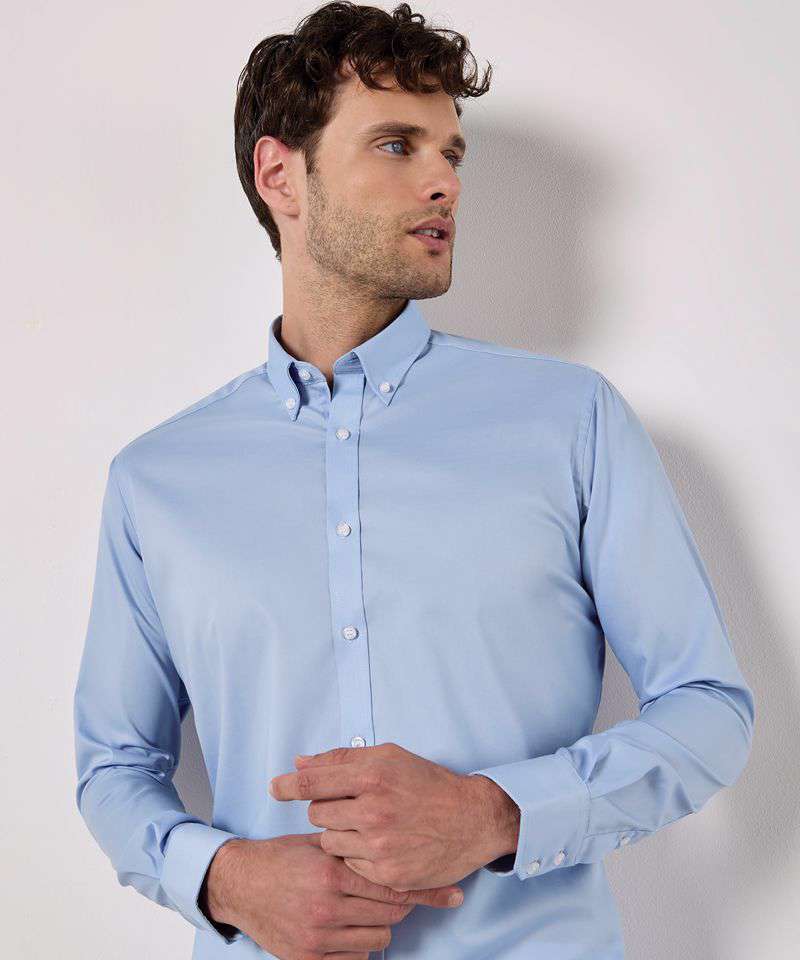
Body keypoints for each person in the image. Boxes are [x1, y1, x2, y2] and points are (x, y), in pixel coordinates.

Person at [73, 3, 755, 958]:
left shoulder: (571, 422)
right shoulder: (158, 480)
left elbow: (709, 708)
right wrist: (223, 879)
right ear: (281, 175)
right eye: (397, 145)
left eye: (451, 153)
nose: (445, 182)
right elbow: (113, 765)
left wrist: (497, 812)